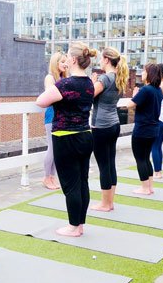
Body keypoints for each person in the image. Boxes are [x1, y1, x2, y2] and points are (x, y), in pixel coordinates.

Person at [36, 41, 96, 237]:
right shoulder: (89, 83)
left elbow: (41, 101)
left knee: (70, 184)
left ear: (73, 60)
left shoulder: (65, 84)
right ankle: (79, 224)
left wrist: (49, 85)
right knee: (82, 182)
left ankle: (73, 226)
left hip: (65, 137)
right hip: (85, 135)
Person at [89, 47, 128, 211]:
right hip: (114, 124)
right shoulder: (119, 78)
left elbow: (88, 95)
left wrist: (92, 82)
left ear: (106, 59)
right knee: (110, 163)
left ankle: (105, 204)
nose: (99, 62)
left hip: (101, 126)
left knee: (104, 165)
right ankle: (109, 202)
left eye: (100, 59)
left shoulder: (105, 79)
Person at [127, 63, 163, 195]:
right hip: (153, 129)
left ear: (149, 74)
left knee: (140, 159)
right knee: (146, 158)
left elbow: (129, 104)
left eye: (143, 71)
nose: (141, 74)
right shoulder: (158, 90)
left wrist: (135, 94)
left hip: (142, 129)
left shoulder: (146, 90)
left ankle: (144, 187)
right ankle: (150, 186)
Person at [42, 52, 68, 190]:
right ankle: (47, 177)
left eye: (66, 61)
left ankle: (52, 177)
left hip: (62, 118)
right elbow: (51, 95)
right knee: (52, 148)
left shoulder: (65, 78)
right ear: (55, 63)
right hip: (52, 117)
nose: (65, 64)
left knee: (58, 150)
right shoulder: (50, 78)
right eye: (62, 61)